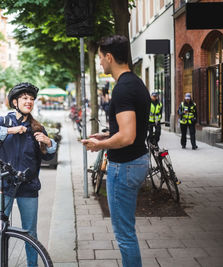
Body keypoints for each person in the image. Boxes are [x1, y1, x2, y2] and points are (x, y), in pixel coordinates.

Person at [81, 35, 150, 267]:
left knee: (124, 235)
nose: (100, 62)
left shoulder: (122, 89)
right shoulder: (136, 83)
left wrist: (99, 145)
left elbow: (127, 136)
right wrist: (107, 134)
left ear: (109, 57)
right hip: (136, 160)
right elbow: (129, 129)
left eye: (101, 58)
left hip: (125, 167)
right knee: (126, 231)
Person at [0, 82, 57, 266]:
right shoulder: (3, 122)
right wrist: (10, 131)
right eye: (25, 98)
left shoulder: (37, 128)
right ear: (15, 102)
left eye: (31, 99)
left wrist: (48, 143)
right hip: (4, 186)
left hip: (28, 186)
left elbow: (48, 156)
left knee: (30, 233)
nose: (29, 101)